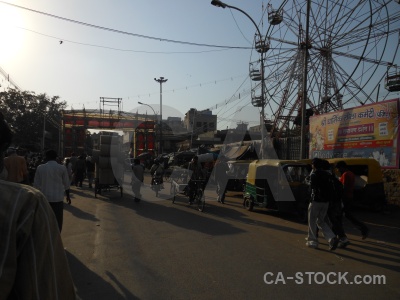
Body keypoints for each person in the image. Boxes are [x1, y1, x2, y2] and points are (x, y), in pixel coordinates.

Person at [0, 111, 76, 299]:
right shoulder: (28, 203)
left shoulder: (40, 169)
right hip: (55, 198)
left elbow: (37, 182)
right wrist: (67, 193)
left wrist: (34, 190)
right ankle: (53, 244)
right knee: (55, 223)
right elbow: (66, 181)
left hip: (42, 194)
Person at [34, 149, 72, 232]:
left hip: (44, 199)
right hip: (57, 199)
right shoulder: (62, 168)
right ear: (56, 157)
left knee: (45, 221)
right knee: (57, 222)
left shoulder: (40, 168)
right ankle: (56, 241)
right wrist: (68, 197)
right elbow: (66, 184)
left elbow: (36, 185)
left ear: (46, 157)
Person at [306, 158, 339, 250]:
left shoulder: (314, 174)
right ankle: (331, 238)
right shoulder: (328, 174)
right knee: (321, 221)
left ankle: (312, 241)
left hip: (316, 201)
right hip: (326, 202)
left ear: (314, 165)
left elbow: (311, 187)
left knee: (312, 221)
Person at [336, 160, 369, 240]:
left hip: (345, 197)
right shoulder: (350, 173)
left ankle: (341, 235)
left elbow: (344, 187)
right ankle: (362, 228)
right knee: (346, 215)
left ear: (342, 167)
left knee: (339, 216)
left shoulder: (346, 174)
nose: (338, 170)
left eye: (338, 168)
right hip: (349, 197)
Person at [321, 160, 350, 248]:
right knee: (335, 220)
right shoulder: (333, 176)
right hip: (336, 201)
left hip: (330, 202)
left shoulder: (325, 176)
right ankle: (339, 237)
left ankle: (340, 238)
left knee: (329, 220)